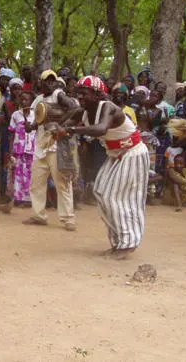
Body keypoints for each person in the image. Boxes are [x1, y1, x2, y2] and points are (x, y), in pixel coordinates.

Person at [66, 76, 149, 260]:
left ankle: (128, 242)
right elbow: (64, 124)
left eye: (84, 93)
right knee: (100, 191)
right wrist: (53, 125)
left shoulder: (108, 107)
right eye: (78, 93)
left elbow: (101, 129)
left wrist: (72, 130)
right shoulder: (82, 112)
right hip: (115, 154)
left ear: (97, 95)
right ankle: (118, 241)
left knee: (115, 197)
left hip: (132, 152)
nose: (80, 96)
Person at [22, 69, 77, 231]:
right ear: (41, 82)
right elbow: (38, 119)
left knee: (62, 182)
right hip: (41, 145)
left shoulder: (58, 94)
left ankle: (68, 218)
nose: (49, 83)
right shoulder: (39, 99)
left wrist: (60, 124)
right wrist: (31, 126)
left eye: (52, 80)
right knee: (36, 182)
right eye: (46, 80)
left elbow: (73, 107)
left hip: (56, 144)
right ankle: (38, 215)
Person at [8, 90, 36, 206]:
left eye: (26, 100)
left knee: (30, 174)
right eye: (22, 99)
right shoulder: (15, 115)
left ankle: (29, 199)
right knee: (18, 174)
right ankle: (18, 198)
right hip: (18, 150)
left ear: (31, 101)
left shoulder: (35, 115)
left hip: (31, 150)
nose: (24, 102)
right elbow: (11, 134)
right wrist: (10, 152)